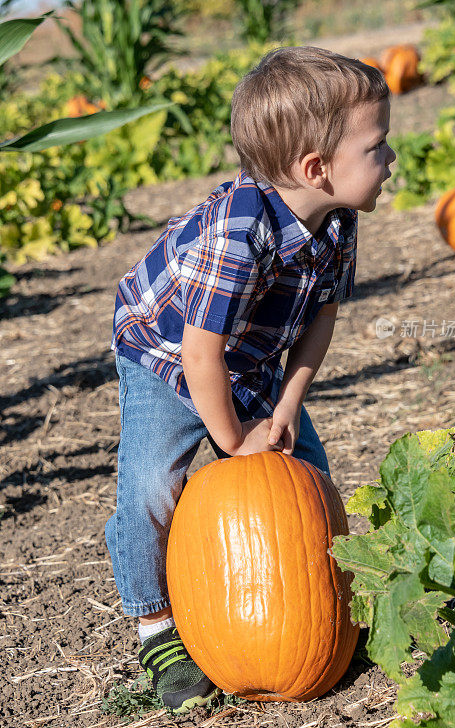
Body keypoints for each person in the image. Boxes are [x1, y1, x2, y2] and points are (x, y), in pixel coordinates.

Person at [106, 45, 396, 714]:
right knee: (153, 485)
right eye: (378, 147)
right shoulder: (238, 231)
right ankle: (156, 629)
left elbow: (320, 319)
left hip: (257, 357)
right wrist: (234, 441)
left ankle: (326, 612)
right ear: (315, 168)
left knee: (305, 476)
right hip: (168, 352)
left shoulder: (338, 221)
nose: (391, 162)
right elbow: (200, 357)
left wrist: (288, 403)